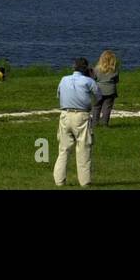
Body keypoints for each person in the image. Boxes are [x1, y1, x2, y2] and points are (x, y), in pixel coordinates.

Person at [54, 57, 99, 187]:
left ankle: (59, 181)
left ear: (73, 67)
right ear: (86, 69)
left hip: (65, 115)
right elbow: (99, 96)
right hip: (81, 116)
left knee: (63, 150)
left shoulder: (64, 79)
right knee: (84, 149)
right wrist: (93, 78)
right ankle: (85, 182)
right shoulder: (88, 81)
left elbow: (59, 95)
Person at [91, 50, 119, 127]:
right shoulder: (114, 70)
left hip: (98, 90)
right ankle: (105, 124)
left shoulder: (96, 69)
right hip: (110, 91)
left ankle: (94, 123)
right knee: (107, 108)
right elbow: (116, 80)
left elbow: (93, 79)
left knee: (96, 107)